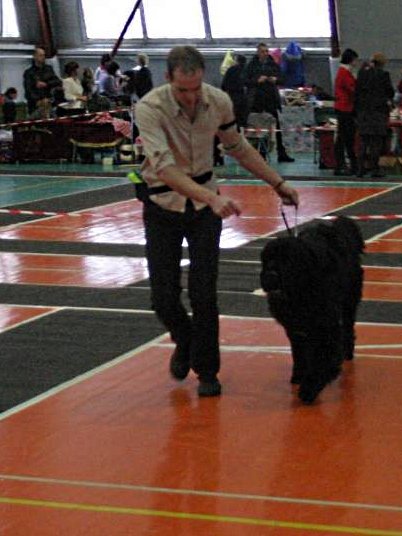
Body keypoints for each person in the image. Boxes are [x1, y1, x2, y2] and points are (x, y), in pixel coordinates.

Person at [135, 46, 299, 397]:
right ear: (168, 79)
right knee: (163, 297)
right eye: (183, 90)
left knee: (204, 293)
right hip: (163, 204)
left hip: (205, 212)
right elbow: (163, 166)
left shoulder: (219, 101)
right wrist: (211, 197)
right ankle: (184, 340)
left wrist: (278, 183)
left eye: (196, 88)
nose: (191, 97)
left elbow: (237, 146)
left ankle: (207, 371)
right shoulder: (149, 107)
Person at [244, 42, 295, 162]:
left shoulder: (273, 65)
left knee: (276, 127)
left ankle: (281, 153)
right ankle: (260, 153)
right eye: (263, 51)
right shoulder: (251, 66)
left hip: (271, 99)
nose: (265, 53)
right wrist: (257, 80)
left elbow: (283, 78)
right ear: (258, 52)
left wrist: (276, 80)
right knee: (259, 128)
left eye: (267, 51)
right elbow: (245, 81)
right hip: (257, 101)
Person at [354, 52, 394, 178]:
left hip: (363, 112)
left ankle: (360, 169)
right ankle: (374, 169)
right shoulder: (384, 75)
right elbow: (390, 92)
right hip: (378, 112)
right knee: (376, 142)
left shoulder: (362, 73)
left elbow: (357, 91)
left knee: (364, 141)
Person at [333, 48, 359, 176]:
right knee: (344, 138)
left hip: (344, 108)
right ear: (351, 59)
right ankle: (340, 165)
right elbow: (352, 89)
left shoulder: (344, 72)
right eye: (355, 60)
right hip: (345, 108)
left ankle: (347, 164)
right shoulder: (344, 73)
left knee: (345, 137)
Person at [22, 46, 62, 117]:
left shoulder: (49, 69)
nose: (43, 57)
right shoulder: (29, 73)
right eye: (41, 55)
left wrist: (46, 84)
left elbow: (57, 81)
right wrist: (38, 100)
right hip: (36, 104)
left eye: (44, 55)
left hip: (50, 100)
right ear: (35, 56)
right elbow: (28, 90)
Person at [221, 54, 248, 130]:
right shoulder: (247, 70)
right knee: (242, 117)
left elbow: (224, 85)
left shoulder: (231, 70)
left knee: (233, 115)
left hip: (232, 96)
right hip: (244, 97)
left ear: (237, 61)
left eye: (234, 60)